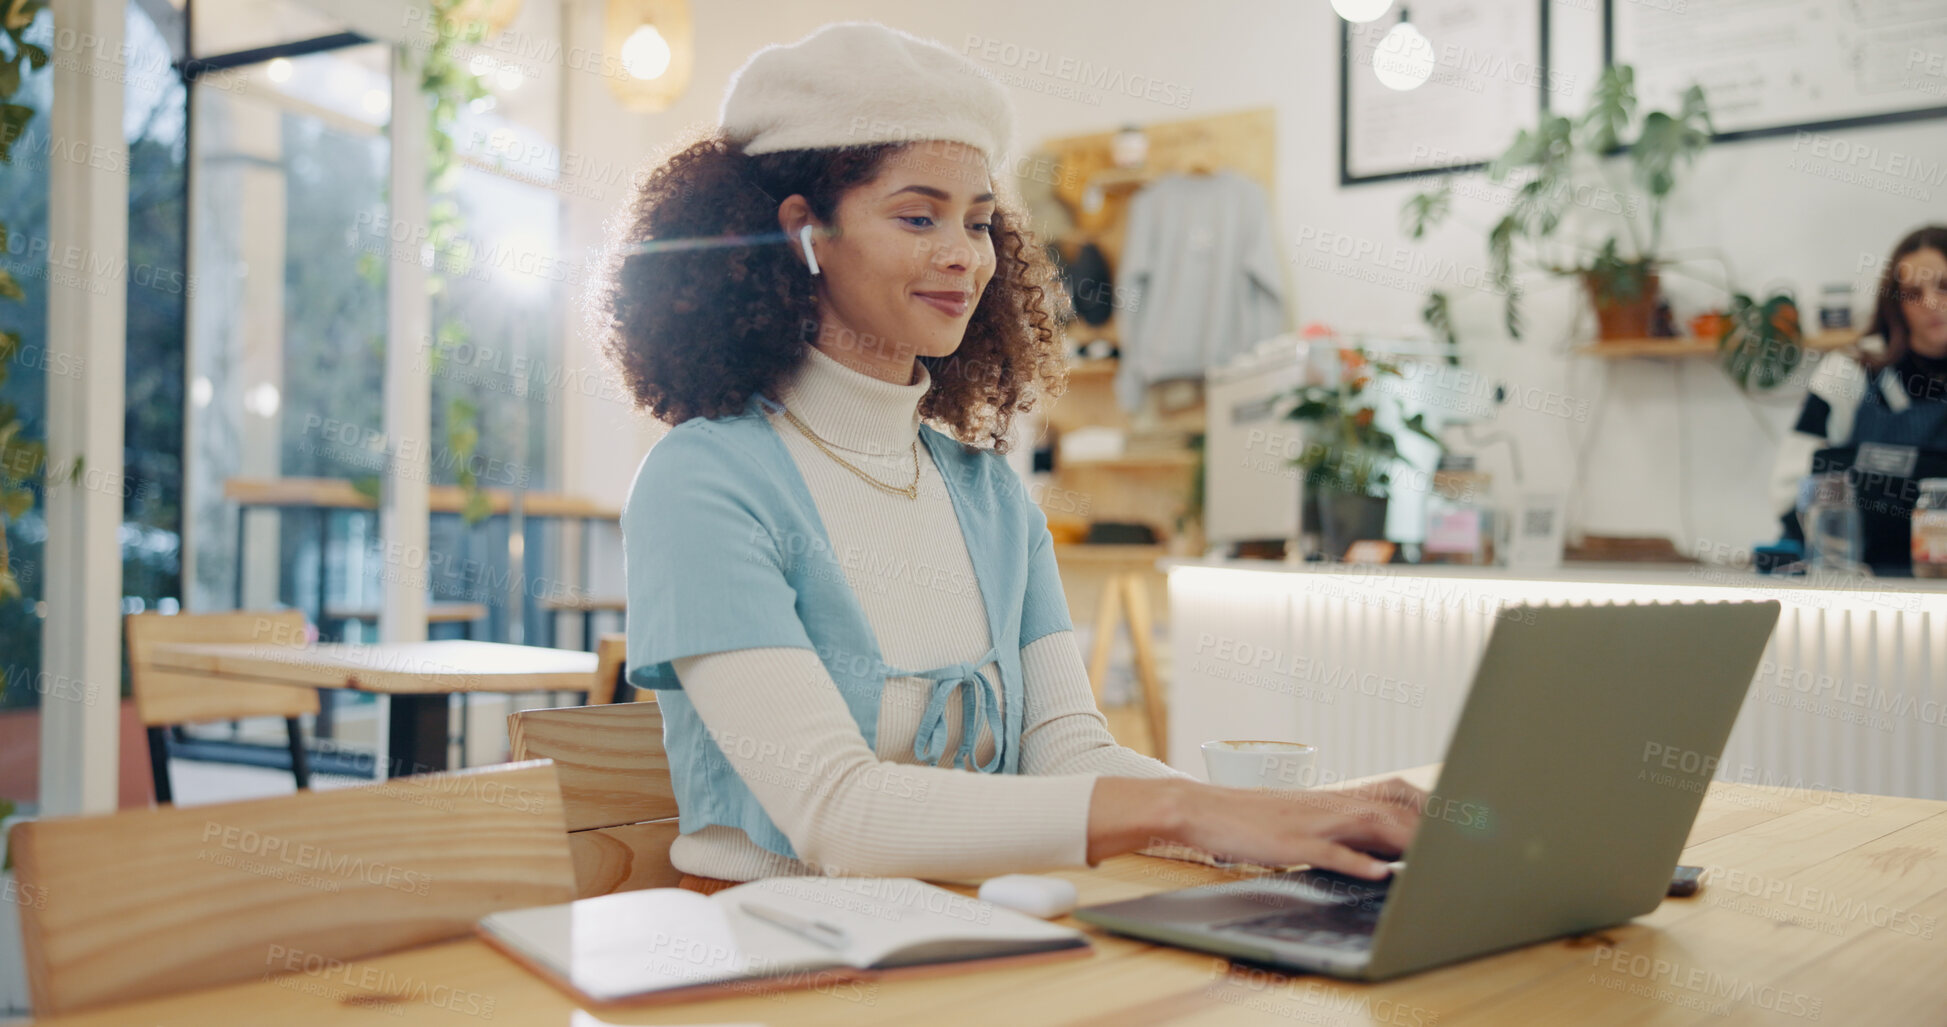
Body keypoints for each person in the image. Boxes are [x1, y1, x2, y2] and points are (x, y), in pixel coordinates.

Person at [598, 22, 1422, 892]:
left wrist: (1290, 823)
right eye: (919, 216)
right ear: (805, 231)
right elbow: (836, 814)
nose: (964, 256)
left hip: (972, 934)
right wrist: (1195, 811)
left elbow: (1067, 752)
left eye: (980, 222)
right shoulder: (705, 483)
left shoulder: (987, 495)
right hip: (770, 961)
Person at [1769, 225, 1947, 547]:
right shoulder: (1847, 374)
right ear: (1896, 303)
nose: (1932, 303)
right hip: (1861, 578)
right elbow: (1790, 490)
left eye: (1944, 286)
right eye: (1914, 293)